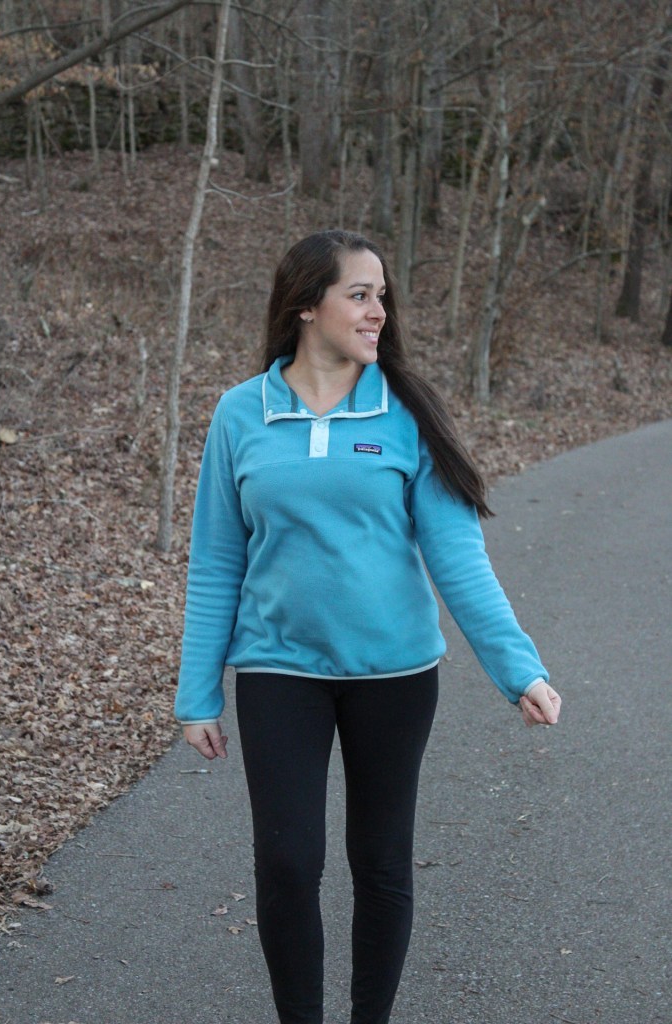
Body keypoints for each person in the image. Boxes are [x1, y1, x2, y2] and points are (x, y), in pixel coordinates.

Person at [175, 229, 561, 1024]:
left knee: (380, 862)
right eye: (360, 294)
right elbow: (216, 561)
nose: (378, 310)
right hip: (280, 670)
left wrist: (517, 668)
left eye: (382, 294)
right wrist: (197, 691)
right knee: (287, 862)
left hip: (394, 674)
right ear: (307, 304)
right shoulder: (241, 413)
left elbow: (457, 556)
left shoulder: (402, 412)